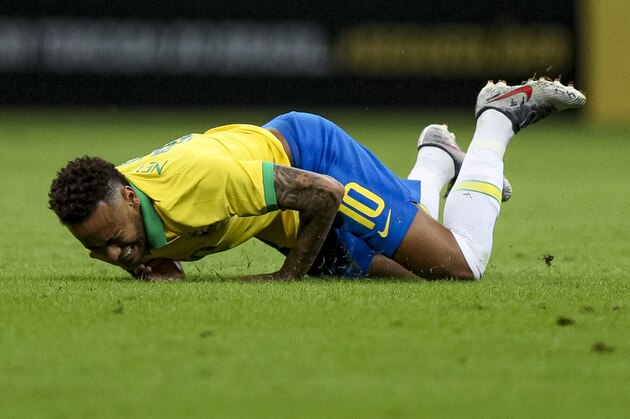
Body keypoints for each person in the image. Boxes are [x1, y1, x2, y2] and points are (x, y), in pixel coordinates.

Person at [48, 78, 586, 281]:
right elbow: (156, 251)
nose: (116, 257)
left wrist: (288, 278)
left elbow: (324, 194)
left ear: (126, 193)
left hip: (314, 164)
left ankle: (496, 119)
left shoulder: (196, 183)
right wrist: (147, 263)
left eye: (116, 242)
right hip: (279, 210)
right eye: (97, 250)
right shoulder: (119, 199)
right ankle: (439, 157)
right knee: (412, 271)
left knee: (458, 263)